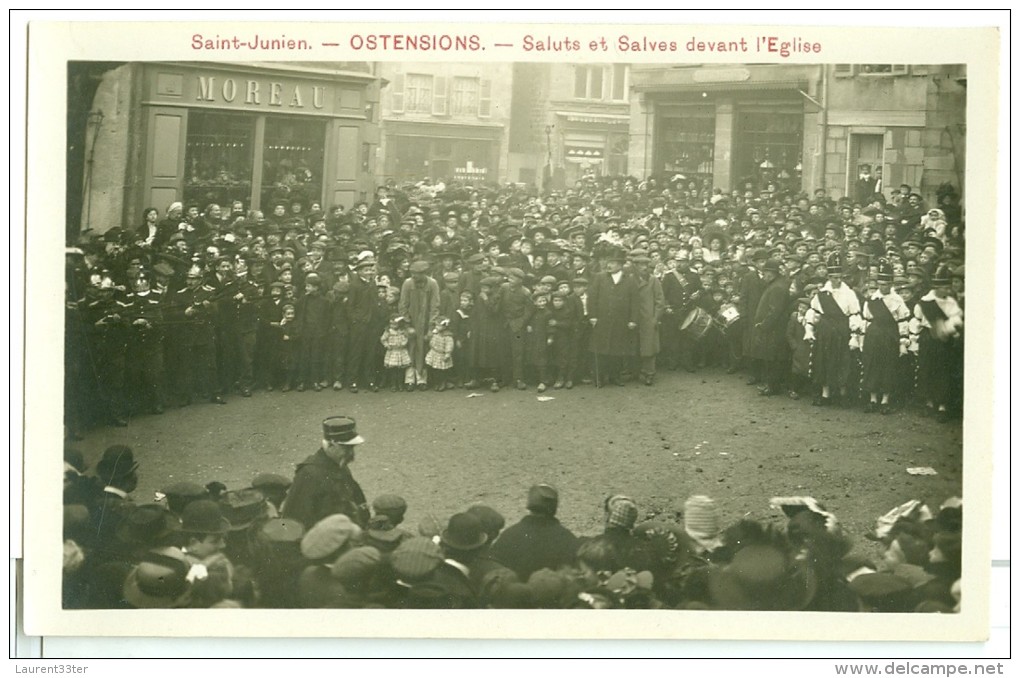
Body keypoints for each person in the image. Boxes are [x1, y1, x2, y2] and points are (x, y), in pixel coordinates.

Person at [282, 416, 371, 530]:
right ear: (332, 444)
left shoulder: (338, 464)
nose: (351, 453)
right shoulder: (309, 474)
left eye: (352, 447)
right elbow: (294, 518)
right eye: (346, 448)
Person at [804, 252, 863, 407]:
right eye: (833, 277)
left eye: (839, 277)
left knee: (842, 362)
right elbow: (814, 313)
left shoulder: (849, 294)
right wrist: (809, 330)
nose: (837, 280)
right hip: (825, 330)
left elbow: (855, 314)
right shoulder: (822, 294)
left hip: (842, 330)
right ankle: (825, 394)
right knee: (824, 361)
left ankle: (842, 394)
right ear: (829, 277)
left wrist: (854, 335)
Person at [488, 484, 579, 581]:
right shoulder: (568, 539)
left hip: (514, 594)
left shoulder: (508, 535)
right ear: (554, 507)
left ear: (529, 504)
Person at [861, 262, 912, 414]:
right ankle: (873, 399)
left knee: (888, 366)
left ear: (891, 284)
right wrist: (862, 339)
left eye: (886, 284)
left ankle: (885, 400)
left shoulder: (897, 300)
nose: (883, 287)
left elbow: (902, 322)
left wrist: (903, 342)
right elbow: (866, 320)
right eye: (880, 284)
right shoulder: (872, 299)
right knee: (872, 365)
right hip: (873, 335)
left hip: (890, 335)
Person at [586, 247, 639, 387]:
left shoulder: (630, 280)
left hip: (620, 321)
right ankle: (600, 377)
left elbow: (635, 301)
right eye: (609, 262)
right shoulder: (599, 277)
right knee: (601, 350)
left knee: (617, 350)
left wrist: (633, 319)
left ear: (621, 265)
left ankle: (615, 376)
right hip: (601, 320)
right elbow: (592, 298)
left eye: (613, 263)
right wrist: (592, 316)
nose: (609, 265)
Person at [747, 259, 791, 396]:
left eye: (764, 272)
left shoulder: (777, 287)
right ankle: (772, 385)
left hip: (774, 329)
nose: (763, 275)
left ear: (771, 273)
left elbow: (774, 311)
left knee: (773, 358)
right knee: (772, 358)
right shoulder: (776, 284)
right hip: (773, 328)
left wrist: (764, 325)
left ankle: (772, 387)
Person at [399, 260, 441, 390]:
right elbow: (402, 305)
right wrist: (407, 324)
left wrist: (431, 328)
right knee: (410, 349)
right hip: (411, 322)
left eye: (416, 274)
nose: (414, 276)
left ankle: (422, 379)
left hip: (426, 322)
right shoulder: (407, 283)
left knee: (423, 349)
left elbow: (435, 307)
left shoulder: (432, 284)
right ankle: (409, 380)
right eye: (412, 273)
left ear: (424, 273)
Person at [630, 252, 666, 386]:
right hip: (634, 319)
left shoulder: (653, 280)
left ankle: (649, 373)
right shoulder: (630, 280)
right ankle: (635, 372)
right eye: (640, 265)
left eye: (645, 264)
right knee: (634, 345)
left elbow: (660, 301)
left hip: (648, 319)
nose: (644, 267)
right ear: (635, 266)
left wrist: (655, 318)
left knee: (649, 348)